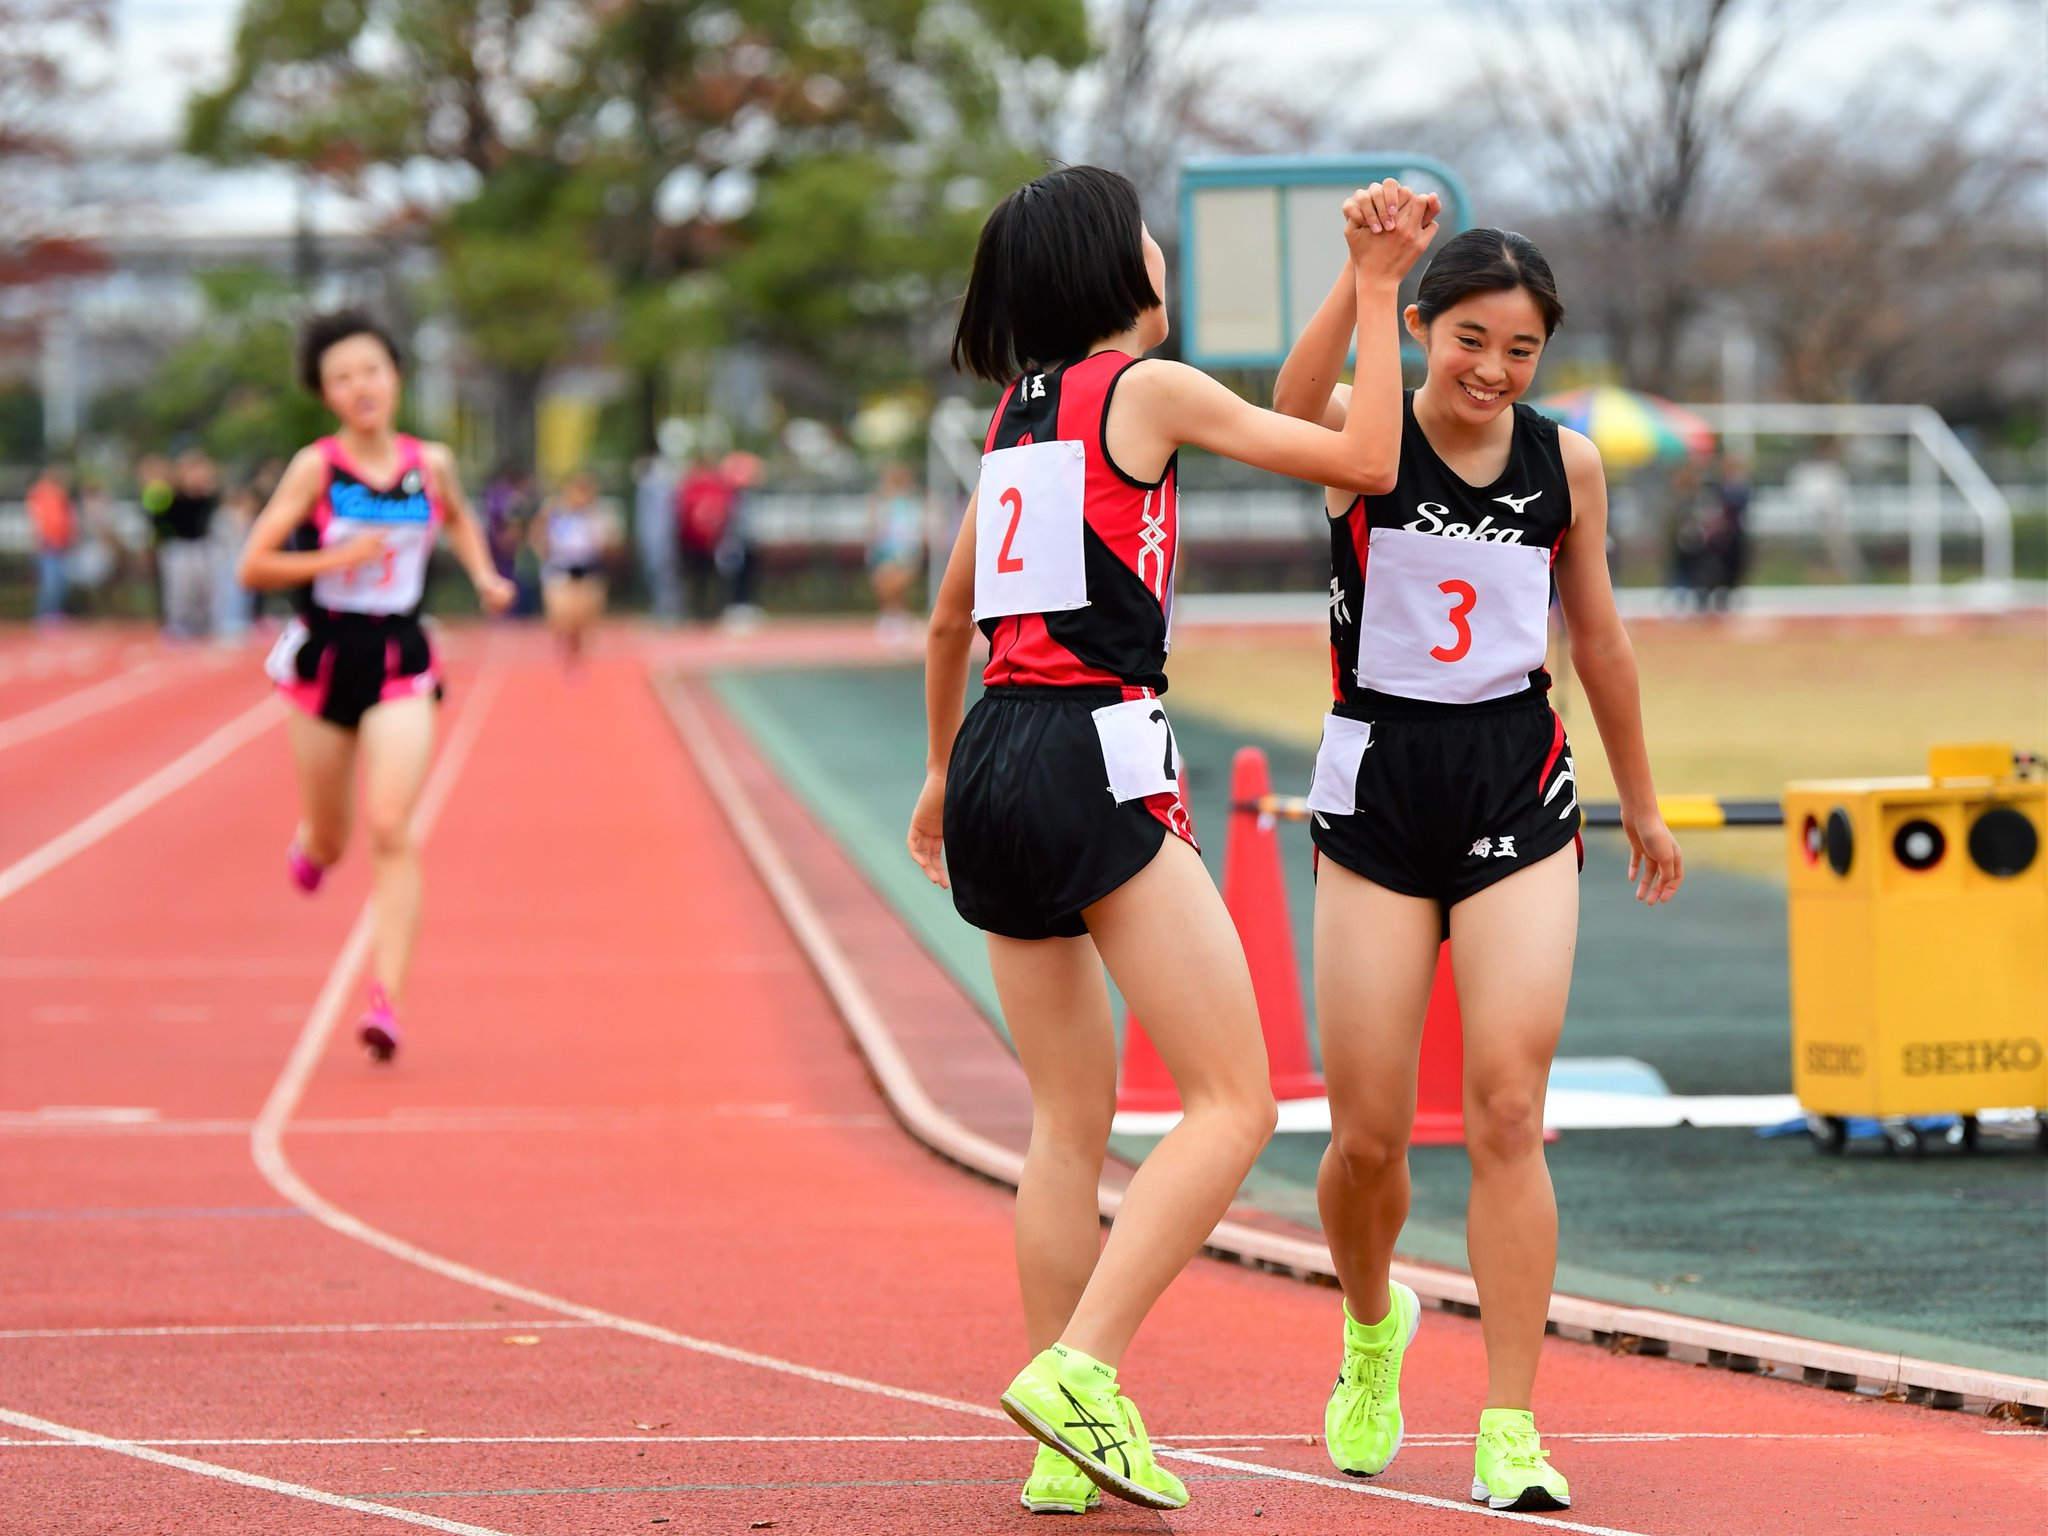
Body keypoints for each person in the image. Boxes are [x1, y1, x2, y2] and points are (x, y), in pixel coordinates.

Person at [908, 165, 1437, 1516]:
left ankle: (1055, 1445)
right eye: (1148, 233)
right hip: (1093, 746)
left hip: (993, 752)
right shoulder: (1142, 390)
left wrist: (934, 776)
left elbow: (945, 619)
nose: (1164, 248)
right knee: (1235, 1103)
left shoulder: (1014, 421)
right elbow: (1367, 460)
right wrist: (1379, 294)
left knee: (1066, 1124)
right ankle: (1082, 1371)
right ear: (1112, 266)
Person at [1273, 215, 1684, 1513]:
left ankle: (1510, 1420)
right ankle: (1370, 1327)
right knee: (1371, 1134)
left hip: (1516, 784)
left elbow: (1602, 641)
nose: (1494, 370)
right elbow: (1288, 407)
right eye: (1470, 342)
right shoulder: (1366, 436)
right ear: (1422, 333)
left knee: (1509, 1103)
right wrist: (1365, 276)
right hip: (1381, 791)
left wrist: (1648, 804)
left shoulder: (1564, 464)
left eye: (1520, 349)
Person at [237, 310, 514, 1062]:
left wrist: (485, 572)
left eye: (372, 370)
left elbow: (455, 519)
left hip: (400, 654)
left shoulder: (433, 462)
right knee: (335, 835)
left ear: (396, 378)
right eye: (342, 377)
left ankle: (385, 999)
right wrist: (335, 560)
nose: (361, 385)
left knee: (392, 825)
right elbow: (253, 566)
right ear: (327, 394)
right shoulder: (316, 468)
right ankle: (313, 847)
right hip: (327, 653)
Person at [534, 469, 613, 666]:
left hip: (587, 568)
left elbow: (607, 542)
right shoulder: (554, 511)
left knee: (584, 619)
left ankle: (577, 653)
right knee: (562, 615)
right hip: (560, 567)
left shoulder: (596, 514)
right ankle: (566, 645)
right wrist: (545, 551)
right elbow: (537, 534)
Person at [157, 450, 220, 639]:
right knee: (180, 591)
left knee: (204, 589)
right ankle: (178, 624)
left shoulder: (207, 496)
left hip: (202, 546)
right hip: (179, 547)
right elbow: (161, 519)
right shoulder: (171, 495)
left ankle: (202, 625)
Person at [865, 461, 925, 645]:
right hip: (885, 551)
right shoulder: (881, 502)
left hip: (904, 552)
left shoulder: (911, 503)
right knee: (885, 584)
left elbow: (916, 529)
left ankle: (897, 619)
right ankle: (893, 618)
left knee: (897, 585)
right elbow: (874, 527)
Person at [676, 453, 735, 621]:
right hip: (695, 541)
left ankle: (709, 610)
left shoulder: (713, 487)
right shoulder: (692, 487)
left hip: (710, 542)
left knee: (709, 577)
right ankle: (698, 610)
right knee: (697, 578)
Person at [633, 443, 683, 622]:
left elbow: (665, 515)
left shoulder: (662, 481)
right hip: (652, 536)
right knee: (654, 574)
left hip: (661, 537)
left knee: (665, 575)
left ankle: (670, 610)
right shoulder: (648, 482)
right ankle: (661, 608)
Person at [25, 464, 74, 624]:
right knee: (50, 581)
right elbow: (37, 519)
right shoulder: (40, 493)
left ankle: (54, 613)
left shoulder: (59, 493)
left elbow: (65, 518)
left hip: (59, 543)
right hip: (48, 542)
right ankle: (44, 614)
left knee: (59, 581)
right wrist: (39, 539)